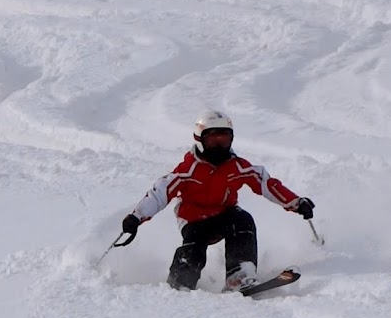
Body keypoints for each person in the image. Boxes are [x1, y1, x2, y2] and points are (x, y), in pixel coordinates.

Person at [120, 110, 315, 291]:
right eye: (213, 141)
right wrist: (136, 217)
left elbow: (266, 183)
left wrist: (296, 202)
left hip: (224, 215)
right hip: (194, 220)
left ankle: (239, 276)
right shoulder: (188, 170)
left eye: (224, 140)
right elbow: (160, 193)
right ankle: (180, 284)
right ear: (200, 140)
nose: (219, 147)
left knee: (243, 221)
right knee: (194, 250)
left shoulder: (236, 166)